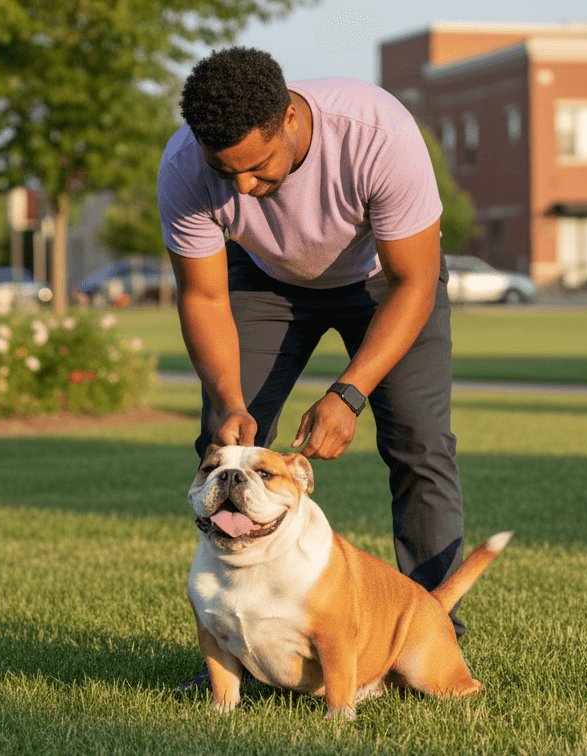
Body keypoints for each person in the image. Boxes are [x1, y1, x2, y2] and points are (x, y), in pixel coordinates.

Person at [159, 47, 466, 679]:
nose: (243, 187)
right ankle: (236, 641)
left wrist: (348, 394)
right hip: (265, 279)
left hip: (386, 281)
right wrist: (230, 398)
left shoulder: (377, 134)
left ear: (290, 121)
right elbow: (204, 294)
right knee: (227, 444)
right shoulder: (185, 165)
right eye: (228, 172)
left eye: (257, 167)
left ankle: (436, 634)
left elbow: (415, 283)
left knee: (420, 444)